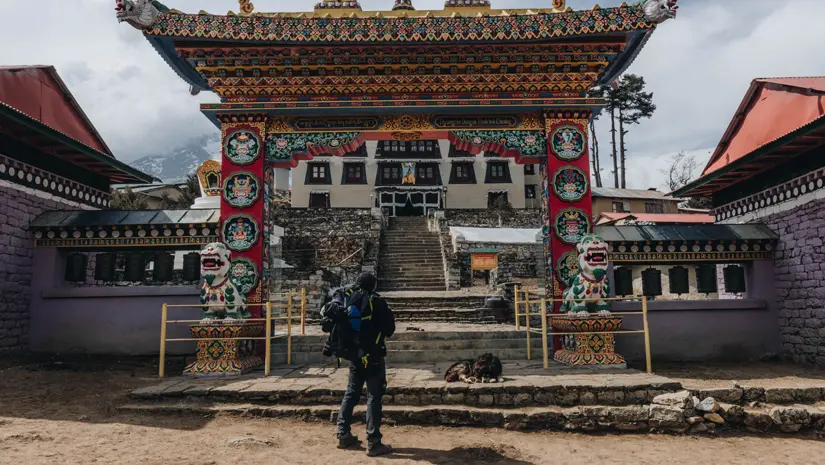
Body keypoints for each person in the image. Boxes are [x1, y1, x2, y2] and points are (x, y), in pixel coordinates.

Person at [332, 272, 395, 457]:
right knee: (374, 396)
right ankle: (373, 442)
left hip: (354, 356)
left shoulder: (347, 299)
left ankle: (343, 434)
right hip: (373, 355)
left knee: (351, 393)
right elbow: (389, 329)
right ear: (373, 286)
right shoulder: (377, 302)